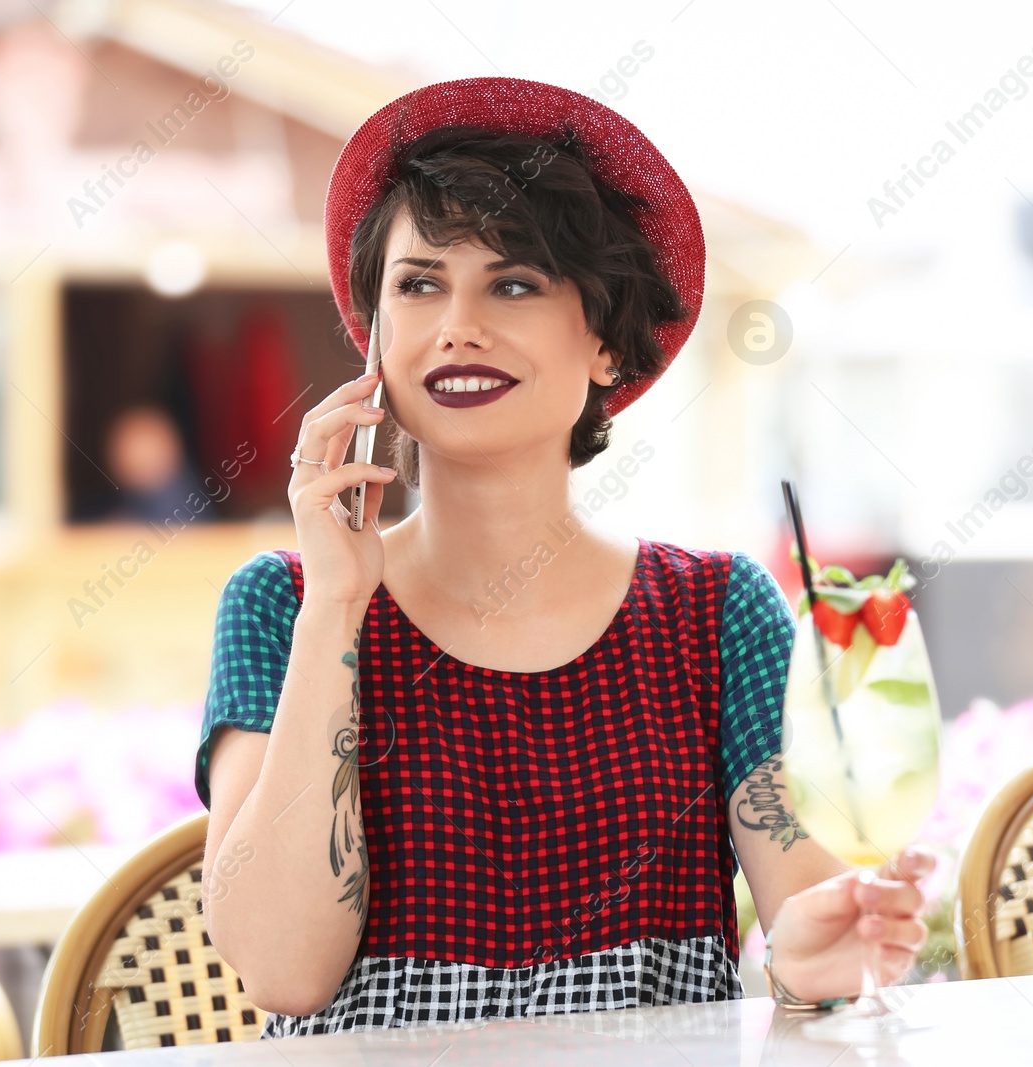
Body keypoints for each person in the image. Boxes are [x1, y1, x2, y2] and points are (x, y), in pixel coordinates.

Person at [193, 76, 935, 1035]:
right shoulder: (283, 603)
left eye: (513, 282)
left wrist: (811, 954)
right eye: (420, 284)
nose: (458, 322)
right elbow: (283, 971)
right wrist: (336, 602)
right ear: (373, 339)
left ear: (603, 343)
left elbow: (804, 902)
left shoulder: (717, 609)